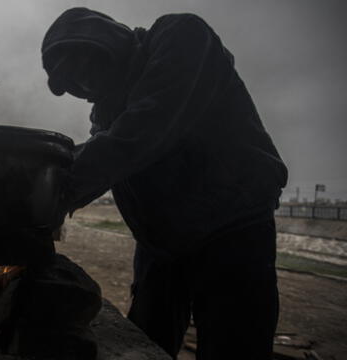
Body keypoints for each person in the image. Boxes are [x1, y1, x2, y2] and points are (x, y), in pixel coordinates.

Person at [41, 7, 288, 360]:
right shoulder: (108, 108)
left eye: (81, 70)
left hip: (231, 228)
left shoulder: (181, 36)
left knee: (234, 346)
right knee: (142, 343)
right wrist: (42, 192)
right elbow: (105, 155)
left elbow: (146, 127)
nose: (81, 89)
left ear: (105, 41)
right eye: (70, 84)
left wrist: (51, 191)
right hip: (162, 244)